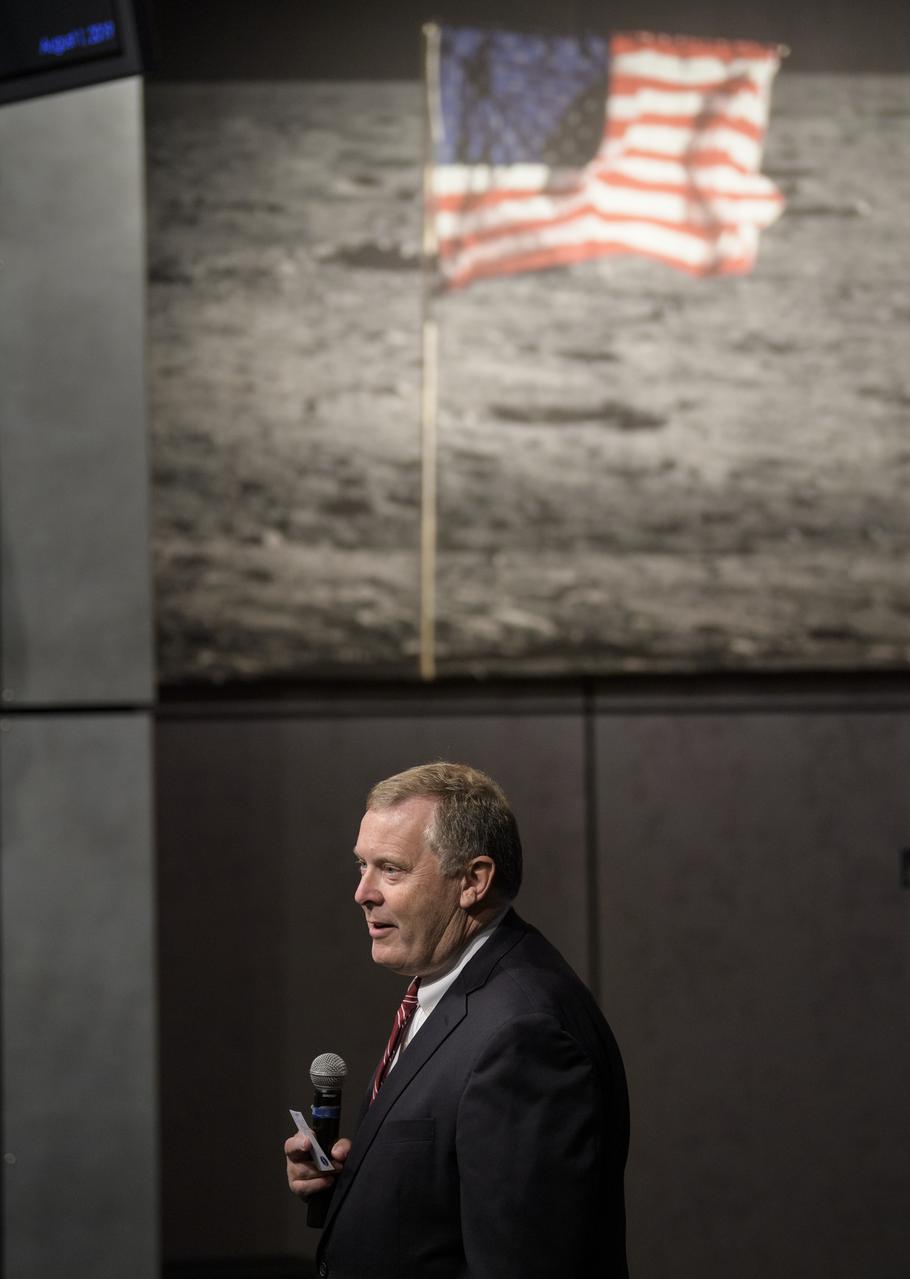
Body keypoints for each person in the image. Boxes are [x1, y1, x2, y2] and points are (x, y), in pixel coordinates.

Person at [285, 761, 629, 1278]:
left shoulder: (523, 1034)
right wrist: (357, 1179)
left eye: (392, 869)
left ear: (473, 880)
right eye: (362, 866)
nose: (364, 893)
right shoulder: (449, 985)